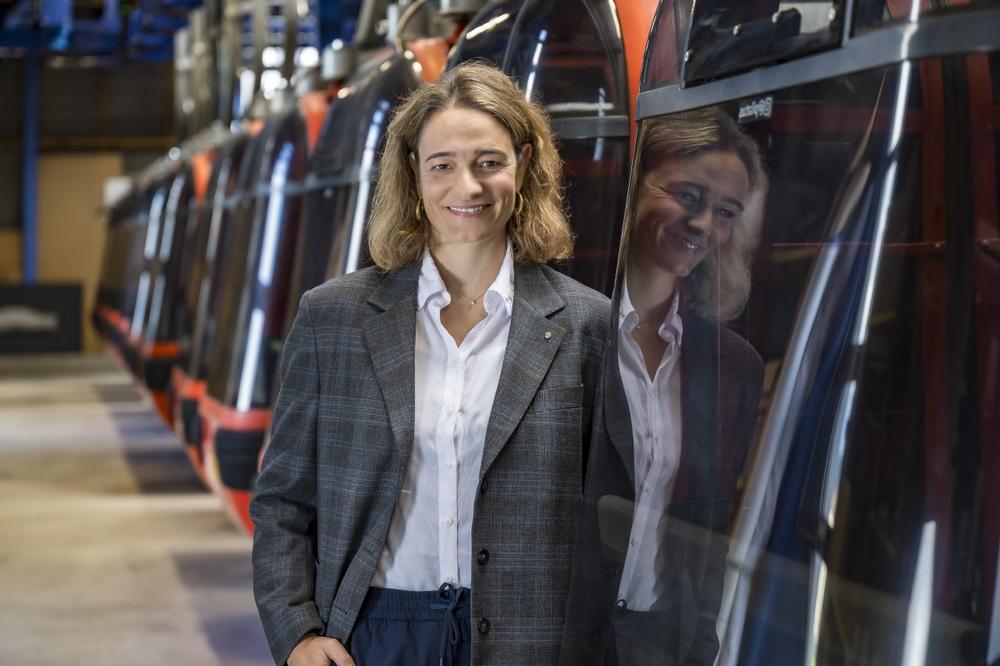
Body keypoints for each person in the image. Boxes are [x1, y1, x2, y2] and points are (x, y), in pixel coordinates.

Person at [251, 61, 610, 666]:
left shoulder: (588, 325)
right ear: (413, 172)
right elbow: (283, 500)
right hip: (372, 635)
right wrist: (297, 634)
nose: (467, 187)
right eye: (442, 165)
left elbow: (609, 518)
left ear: (524, 165)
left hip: (531, 640)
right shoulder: (333, 318)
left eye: (489, 162)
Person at [561, 107, 767, 666]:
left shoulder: (733, 367)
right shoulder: (555, 326)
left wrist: (699, 648)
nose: (703, 224)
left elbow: (707, 534)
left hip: (657, 646)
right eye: (688, 195)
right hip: (549, 642)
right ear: (634, 186)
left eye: (724, 212)